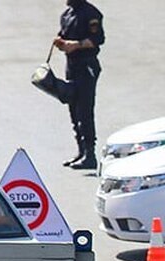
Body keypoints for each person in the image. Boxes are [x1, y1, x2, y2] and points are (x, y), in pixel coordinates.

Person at [55, 0, 105, 170]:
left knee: (85, 109)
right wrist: (60, 43)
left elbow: (97, 38)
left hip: (86, 65)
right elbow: (62, 35)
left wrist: (76, 45)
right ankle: (81, 151)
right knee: (73, 108)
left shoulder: (91, 13)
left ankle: (90, 155)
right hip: (72, 66)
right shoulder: (67, 14)